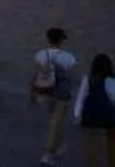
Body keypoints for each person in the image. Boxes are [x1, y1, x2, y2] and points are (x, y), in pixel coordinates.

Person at [36, 26, 82, 164]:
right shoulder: (68, 58)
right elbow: (75, 78)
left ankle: (58, 145)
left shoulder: (40, 55)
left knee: (52, 121)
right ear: (61, 41)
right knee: (56, 122)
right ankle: (49, 152)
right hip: (62, 95)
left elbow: (35, 74)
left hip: (45, 92)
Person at [75, 53, 115, 167]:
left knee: (93, 142)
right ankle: (111, 162)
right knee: (112, 140)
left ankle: (92, 164)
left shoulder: (88, 79)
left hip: (92, 116)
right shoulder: (112, 80)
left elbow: (81, 98)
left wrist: (77, 116)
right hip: (110, 116)